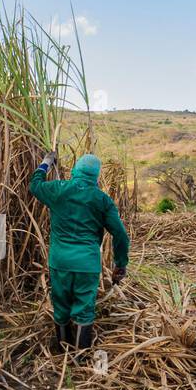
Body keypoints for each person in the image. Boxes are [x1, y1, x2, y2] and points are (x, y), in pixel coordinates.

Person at [28, 150, 129, 351]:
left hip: (60, 261)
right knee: (84, 310)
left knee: (61, 306)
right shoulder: (102, 200)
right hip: (87, 264)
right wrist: (120, 264)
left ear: (75, 170)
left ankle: (61, 350)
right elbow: (120, 234)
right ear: (96, 177)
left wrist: (46, 163)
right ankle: (81, 356)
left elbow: (35, 184)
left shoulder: (58, 189)